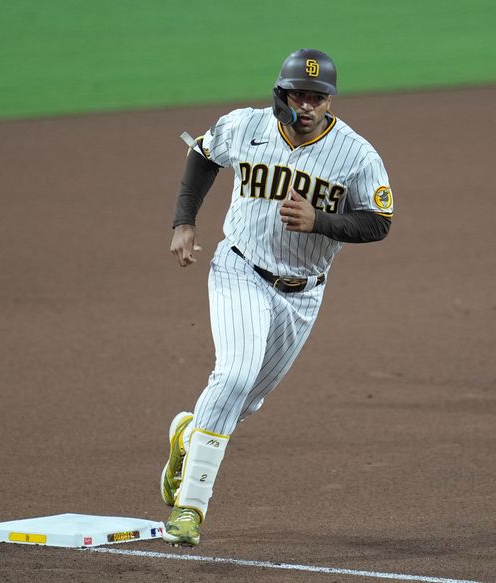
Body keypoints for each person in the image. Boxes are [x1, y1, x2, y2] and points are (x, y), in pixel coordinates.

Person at [161, 48, 394, 546]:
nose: (306, 106)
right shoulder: (247, 127)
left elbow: (379, 221)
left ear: (329, 102)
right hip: (240, 269)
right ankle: (190, 511)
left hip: (302, 296)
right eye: (298, 95)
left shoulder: (356, 155)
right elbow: (203, 154)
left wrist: (322, 222)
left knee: (243, 400)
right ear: (281, 94)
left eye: (317, 97)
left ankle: (189, 434)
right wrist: (184, 222)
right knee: (235, 374)